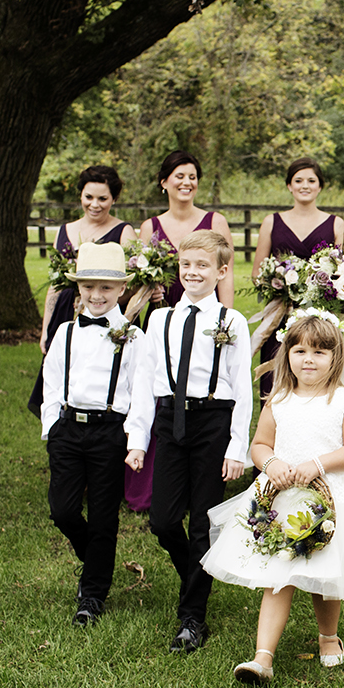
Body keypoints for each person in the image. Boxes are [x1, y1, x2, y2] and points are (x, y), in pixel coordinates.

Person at [202, 310, 344, 683]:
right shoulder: (278, 399)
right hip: (282, 498)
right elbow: (261, 444)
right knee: (277, 576)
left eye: (319, 352)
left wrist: (318, 463)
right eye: (300, 351)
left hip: (329, 498)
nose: (309, 360)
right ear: (287, 355)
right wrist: (271, 463)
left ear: (335, 357)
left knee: (324, 576)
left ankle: (329, 637)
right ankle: (262, 658)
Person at [125, 230, 253, 652]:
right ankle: (197, 574)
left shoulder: (231, 322)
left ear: (220, 271)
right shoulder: (159, 319)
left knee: (202, 522)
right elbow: (145, 383)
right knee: (162, 521)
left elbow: (242, 389)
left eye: (202, 266)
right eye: (186, 266)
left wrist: (237, 448)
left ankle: (192, 618)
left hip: (212, 422)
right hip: (168, 421)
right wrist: (137, 439)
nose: (193, 273)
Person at [39, 242, 147, 626]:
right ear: (79, 289)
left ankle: (93, 594)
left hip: (109, 433)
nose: (96, 295)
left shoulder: (133, 338)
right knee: (62, 509)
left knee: (103, 516)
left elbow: (141, 394)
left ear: (121, 291)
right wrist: (52, 425)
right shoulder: (66, 332)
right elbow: (51, 382)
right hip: (68, 429)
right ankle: (98, 560)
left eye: (105, 288)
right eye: (89, 287)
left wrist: (135, 441)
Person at [127, 150, 235, 512]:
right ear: (164, 182)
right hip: (163, 312)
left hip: (207, 314)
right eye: (179, 176)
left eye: (192, 176)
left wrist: (226, 314)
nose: (187, 182)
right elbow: (140, 275)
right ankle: (153, 483)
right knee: (160, 387)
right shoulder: (149, 226)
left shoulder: (214, 220)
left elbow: (228, 269)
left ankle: (196, 479)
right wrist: (149, 290)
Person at [28, 165, 136, 418]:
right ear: (80, 196)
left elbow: (131, 285)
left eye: (102, 198)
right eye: (89, 197)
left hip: (104, 313)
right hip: (65, 313)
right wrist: (46, 329)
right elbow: (55, 285)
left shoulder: (124, 231)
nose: (94, 204)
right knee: (61, 379)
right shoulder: (65, 230)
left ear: (114, 199)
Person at [249, 158, 344, 399]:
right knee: (276, 380)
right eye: (298, 180)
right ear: (289, 186)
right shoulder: (271, 222)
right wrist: (280, 285)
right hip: (280, 314)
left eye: (311, 180)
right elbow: (256, 273)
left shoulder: (336, 224)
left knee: (317, 380)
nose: (305, 185)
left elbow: (341, 273)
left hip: (319, 316)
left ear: (320, 186)